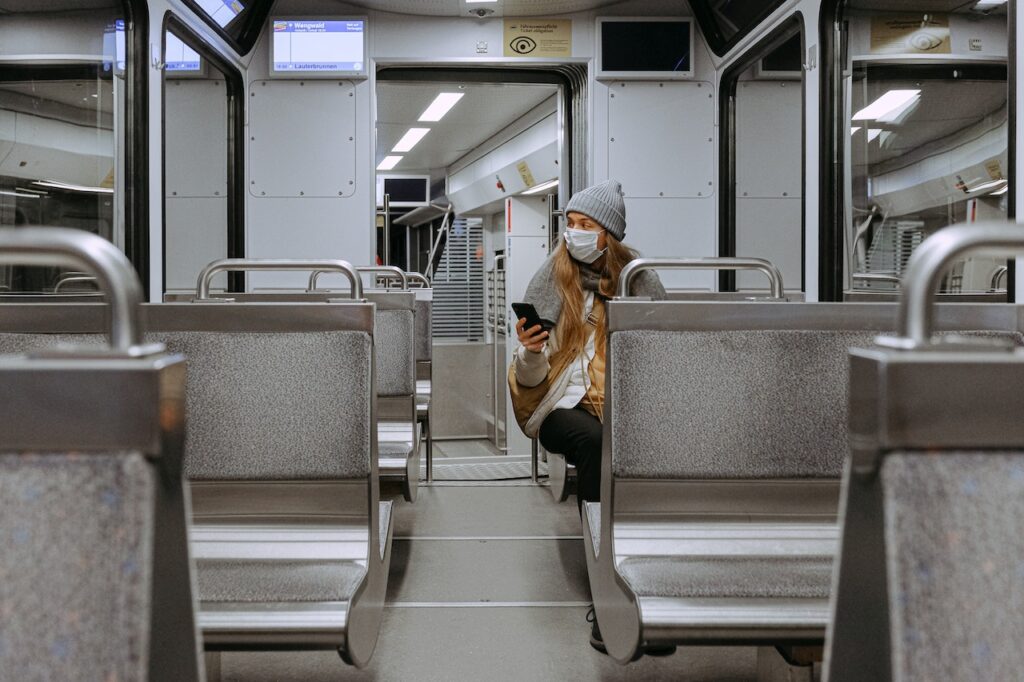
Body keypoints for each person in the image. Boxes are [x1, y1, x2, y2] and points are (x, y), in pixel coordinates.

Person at [510, 179, 671, 656]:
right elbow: (533, 379)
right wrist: (530, 351)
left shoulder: (638, 281)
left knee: (648, 453)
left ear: (609, 236)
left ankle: (654, 594)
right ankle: (607, 600)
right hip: (561, 405)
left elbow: (662, 353)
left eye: (586, 225)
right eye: (571, 223)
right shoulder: (551, 280)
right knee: (597, 445)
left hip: (626, 406)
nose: (574, 233)